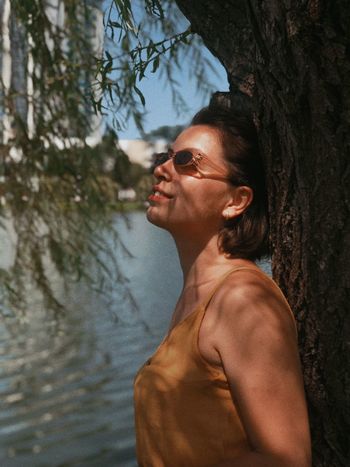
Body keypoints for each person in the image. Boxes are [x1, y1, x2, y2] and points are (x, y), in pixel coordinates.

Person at [134, 102, 311, 467]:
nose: (162, 169)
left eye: (187, 161)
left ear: (236, 200)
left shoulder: (243, 300)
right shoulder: (198, 295)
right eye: (165, 156)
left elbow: (285, 459)